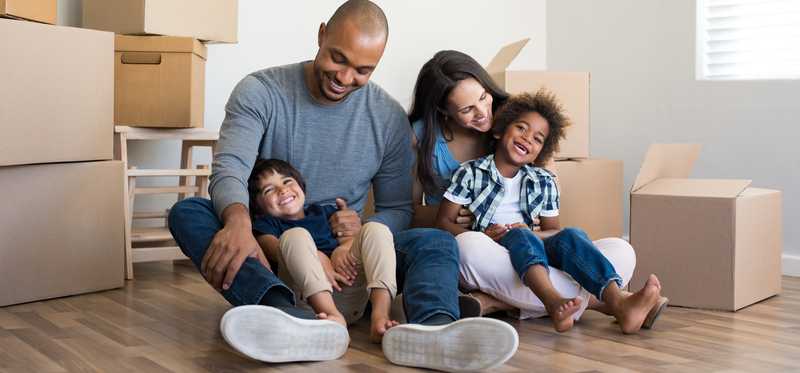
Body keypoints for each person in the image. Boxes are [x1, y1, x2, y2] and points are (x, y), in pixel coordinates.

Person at [168, 1, 518, 370]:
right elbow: (231, 168)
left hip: (351, 259)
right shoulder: (260, 91)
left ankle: (434, 329)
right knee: (189, 213)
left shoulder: (387, 118)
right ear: (322, 34)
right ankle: (283, 313)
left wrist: (359, 235)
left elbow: (398, 209)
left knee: (436, 240)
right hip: (272, 245)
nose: (345, 77)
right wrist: (239, 223)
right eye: (338, 58)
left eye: (363, 70)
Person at [408, 50, 668, 327]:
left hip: (533, 247)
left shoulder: (522, 128)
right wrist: (472, 223)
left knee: (621, 250)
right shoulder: (455, 161)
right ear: (442, 111)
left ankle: (495, 302)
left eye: (483, 97)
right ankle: (605, 303)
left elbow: (552, 225)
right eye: (467, 109)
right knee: (470, 246)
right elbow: (415, 214)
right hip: (482, 248)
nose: (484, 112)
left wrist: (535, 233)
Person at [247, 158, 398, 343]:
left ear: (302, 187)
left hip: (349, 289)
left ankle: (380, 316)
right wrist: (317, 257)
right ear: (258, 206)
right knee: (295, 235)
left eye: (287, 182)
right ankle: (332, 317)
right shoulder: (266, 225)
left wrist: (342, 249)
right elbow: (273, 249)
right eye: (269, 190)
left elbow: (350, 239)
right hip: (309, 301)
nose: (283, 190)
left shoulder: (324, 212)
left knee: (376, 229)